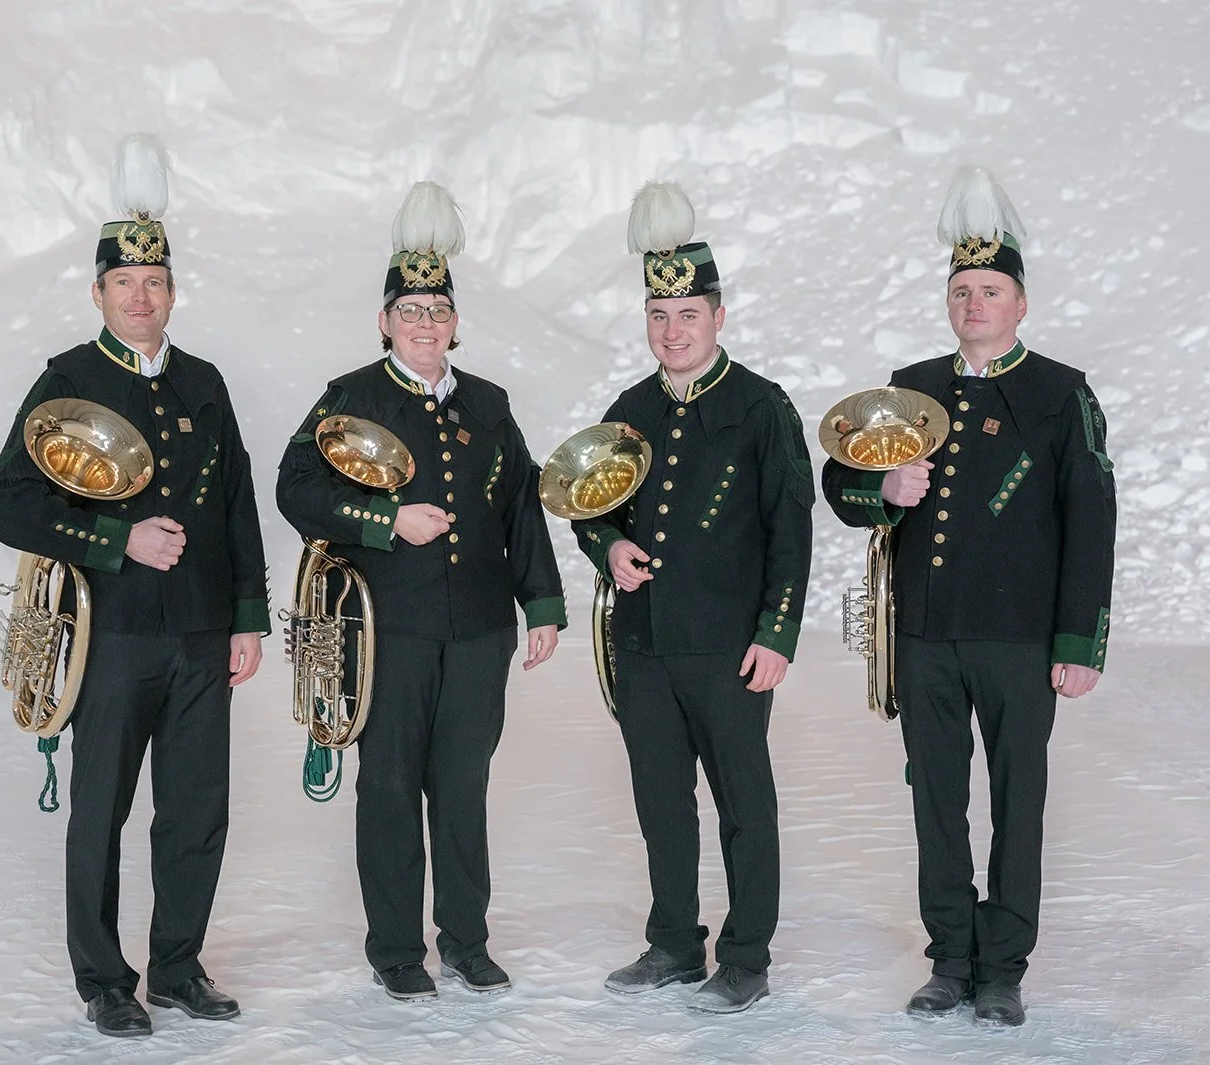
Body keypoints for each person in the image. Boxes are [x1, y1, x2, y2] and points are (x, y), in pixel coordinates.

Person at [821, 166, 1117, 1027]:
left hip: (1020, 638)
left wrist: (1078, 642)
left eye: (990, 290)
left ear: (1020, 303)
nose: (974, 303)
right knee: (936, 800)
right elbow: (838, 482)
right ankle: (951, 957)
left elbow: (1091, 520)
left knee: (1018, 801)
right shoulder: (908, 387)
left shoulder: (1061, 393)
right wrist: (884, 490)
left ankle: (1004, 968)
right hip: (925, 636)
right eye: (961, 290)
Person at [0, 134, 269, 1038]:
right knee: (101, 812)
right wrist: (117, 539)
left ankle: (178, 967)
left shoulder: (205, 383)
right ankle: (105, 979)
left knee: (197, 811)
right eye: (123, 282)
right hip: (109, 637)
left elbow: (236, 505)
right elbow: (11, 503)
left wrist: (248, 618)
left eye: (154, 282)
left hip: (200, 635)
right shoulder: (69, 378)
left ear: (172, 292)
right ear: (98, 292)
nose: (139, 297)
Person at [275, 182, 566, 1002]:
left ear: (455, 320)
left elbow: (521, 505)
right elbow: (295, 488)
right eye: (410, 310)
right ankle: (398, 949)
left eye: (438, 310)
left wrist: (541, 604)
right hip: (387, 631)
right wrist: (384, 520)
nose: (425, 323)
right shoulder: (351, 397)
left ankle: (467, 942)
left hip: (478, 629)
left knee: (463, 787)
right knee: (391, 786)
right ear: (385, 320)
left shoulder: (489, 404)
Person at [571, 182, 815, 1014]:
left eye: (687, 315)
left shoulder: (761, 407)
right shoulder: (629, 410)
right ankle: (675, 942)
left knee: (745, 804)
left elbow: (790, 527)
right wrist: (609, 546)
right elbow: (589, 505)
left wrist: (777, 631)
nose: (672, 331)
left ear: (718, 315)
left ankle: (746, 956)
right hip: (643, 645)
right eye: (658, 315)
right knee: (662, 802)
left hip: (730, 646)